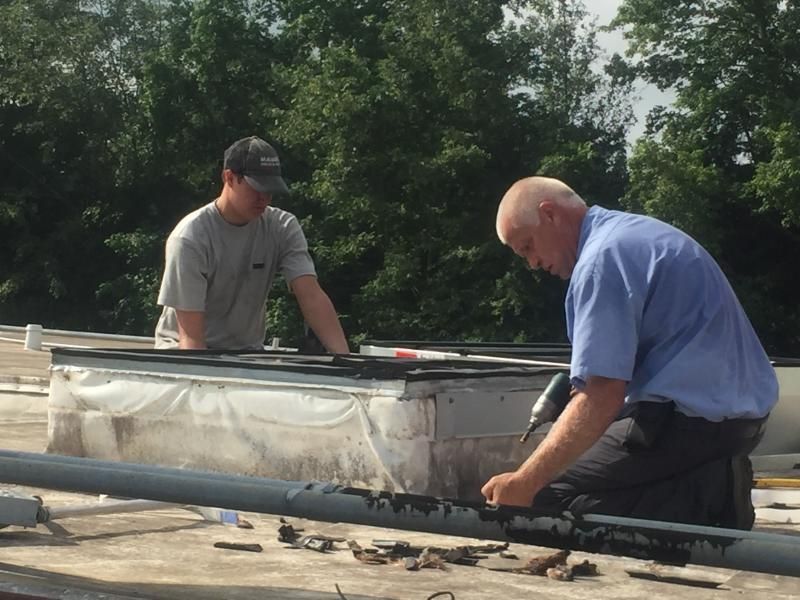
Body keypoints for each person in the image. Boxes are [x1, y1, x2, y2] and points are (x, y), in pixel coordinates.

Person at [482, 176, 778, 529]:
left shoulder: (600, 261)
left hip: (687, 426)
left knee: (544, 496)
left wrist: (524, 481)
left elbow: (602, 395)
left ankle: (703, 502)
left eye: (528, 247)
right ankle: (712, 487)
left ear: (550, 214)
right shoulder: (637, 233)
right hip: (738, 429)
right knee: (566, 463)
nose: (532, 263)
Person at [154, 136, 349, 353]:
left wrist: (346, 361)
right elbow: (190, 339)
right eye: (256, 188)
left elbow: (311, 297)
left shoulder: (283, 226)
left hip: (247, 353)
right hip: (181, 356)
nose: (263, 199)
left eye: (270, 191)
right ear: (229, 177)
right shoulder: (190, 238)